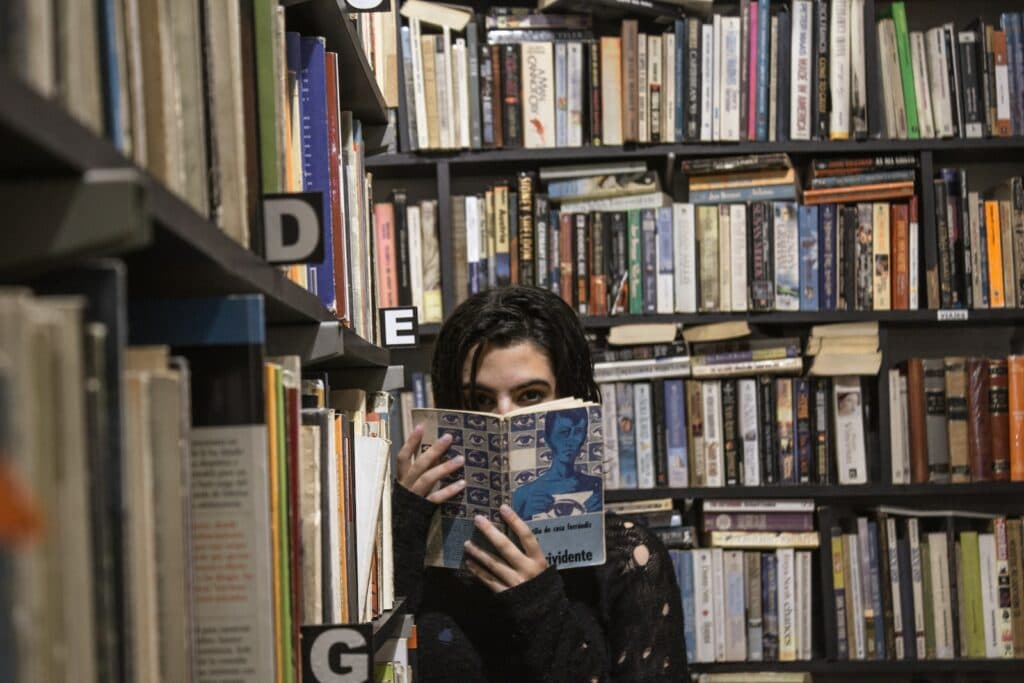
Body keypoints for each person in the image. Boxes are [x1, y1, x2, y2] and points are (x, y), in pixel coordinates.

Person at [394, 286, 687, 682]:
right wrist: (405, 525)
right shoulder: (417, 545)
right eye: (480, 400)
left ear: (571, 400)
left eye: (530, 395)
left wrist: (539, 601)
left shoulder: (628, 560)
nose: (503, 417)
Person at [511, 407, 602, 520]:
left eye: (578, 431)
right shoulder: (523, 495)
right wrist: (525, 517)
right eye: (564, 432)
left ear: (584, 436)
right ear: (548, 438)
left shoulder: (597, 487)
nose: (571, 440)